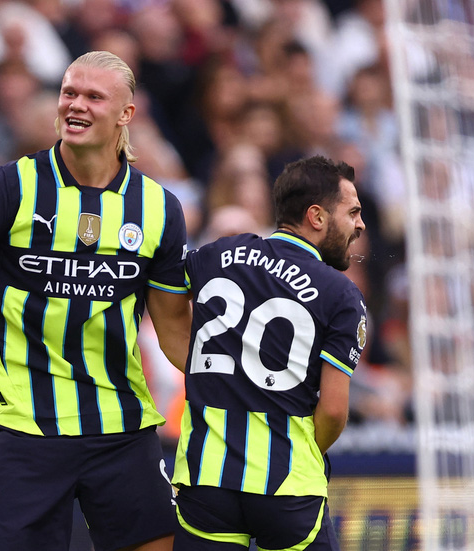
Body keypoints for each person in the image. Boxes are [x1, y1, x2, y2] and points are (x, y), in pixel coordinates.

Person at [0, 51, 192, 551]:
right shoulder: (7, 188)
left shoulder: (159, 208)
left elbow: (177, 334)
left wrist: (237, 395)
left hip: (122, 426)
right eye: (70, 92)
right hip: (25, 429)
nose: (77, 104)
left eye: (94, 96)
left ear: (126, 115)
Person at [172, 155, 367, 550]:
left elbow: (162, 299)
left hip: (206, 479)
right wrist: (297, 449)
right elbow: (332, 410)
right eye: (353, 212)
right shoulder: (340, 293)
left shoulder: (215, 255)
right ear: (317, 216)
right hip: (288, 484)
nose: (361, 225)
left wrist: (194, 366)